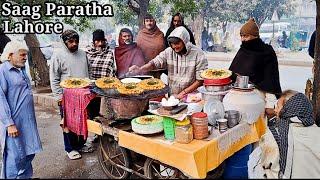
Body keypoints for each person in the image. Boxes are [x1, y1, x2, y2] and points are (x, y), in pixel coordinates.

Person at [248, 90, 318, 178]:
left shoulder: (274, 136)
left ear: (288, 109)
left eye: (278, 106)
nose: (275, 110)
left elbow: (262, 172)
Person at [0, 40, 42, 178]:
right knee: (15, 158)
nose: (25, 58)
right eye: (22, 55)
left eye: (26, 55)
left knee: (29, 153)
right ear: (10, 55)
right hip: (14, 123)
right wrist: (9, 124)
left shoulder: (22, 69)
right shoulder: (2, 71)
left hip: (28, 122)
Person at [129, 26, 208, 99]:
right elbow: (155, 63)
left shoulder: (198, 54)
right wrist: (140, 69)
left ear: (185, 41)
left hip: (192, 97)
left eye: (177, 43)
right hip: (173, 96)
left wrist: (183, 93)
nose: (174, 46)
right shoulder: (169, 52)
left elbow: (200, 80)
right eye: (172, 44)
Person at [50, 29, 93, 160]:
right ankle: (70, 148)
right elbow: (54, 77)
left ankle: (81, 145)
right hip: (67, 97)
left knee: (82, 121)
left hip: (83, 96)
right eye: (71, 41)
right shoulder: (57, 55)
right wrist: (58, 96)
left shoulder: (83, 54)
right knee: (68, 123)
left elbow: (89, 73)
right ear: (64, 42)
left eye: (76, 41)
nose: (74, 44)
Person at [229, 18, 282, 119]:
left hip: (258, 98)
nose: (243, 39)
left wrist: (270, 104)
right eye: (241, 36)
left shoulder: (267, 52)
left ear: (255, 36)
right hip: (238, 97)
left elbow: (271, 79)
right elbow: (233, 72)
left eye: (246, 36)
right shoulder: (243, 50)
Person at [136, 13, 166, 78]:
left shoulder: (160, 34)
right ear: (144, 23)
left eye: (151, 21)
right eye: (147, 21)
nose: (149, 23)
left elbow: (164, 49)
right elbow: (137, 51)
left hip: (159, 68)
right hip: (145, 68)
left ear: (154, 22)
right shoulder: (140, 34)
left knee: (158, 85)